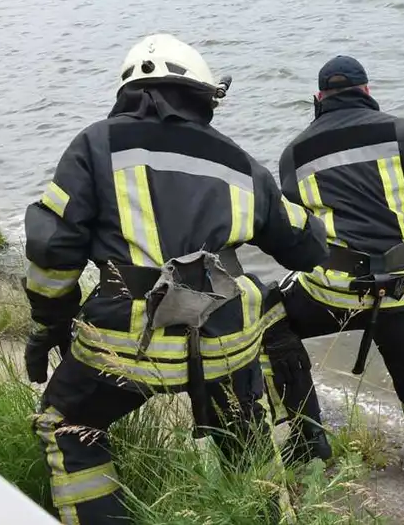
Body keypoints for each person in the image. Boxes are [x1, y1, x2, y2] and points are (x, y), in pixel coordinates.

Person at [22, 33, 329, 525]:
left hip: (127, 343)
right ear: (205, 97)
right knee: (249, 452)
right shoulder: (239, 163)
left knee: (67, 424)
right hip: (226, 341)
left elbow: (53, 249)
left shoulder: (96, 144)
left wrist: (50, 322)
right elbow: (307, 246)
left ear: (129, 93)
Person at [263, 55, 404, 487]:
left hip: (331, 292)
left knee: (268, 319)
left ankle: (309, 437)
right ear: (367, 91)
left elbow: (292, 233)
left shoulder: (294, 155)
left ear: (319, 98)